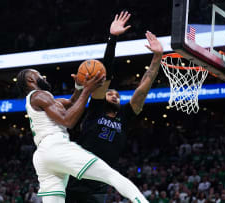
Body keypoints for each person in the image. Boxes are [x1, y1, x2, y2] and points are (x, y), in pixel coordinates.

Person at [66, 11, 163, 203]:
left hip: (99, 183)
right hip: (77, 174)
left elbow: (144, 87)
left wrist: (157, 57)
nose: (114, 95)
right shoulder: (96, 107)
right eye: (110, 92)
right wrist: (113, 39)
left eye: (117, 95)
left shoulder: (125, 115)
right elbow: (106, 73)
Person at [16, 67, 149, 202]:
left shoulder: (46, 100)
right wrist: (87, 90)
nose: (43, 77)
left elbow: (72, 102)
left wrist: (79, 86)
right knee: (112, 176)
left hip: (43, 156)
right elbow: (68, 121)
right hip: (56, 147)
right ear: (30, 79)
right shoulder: (39, 95)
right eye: (39, 75)